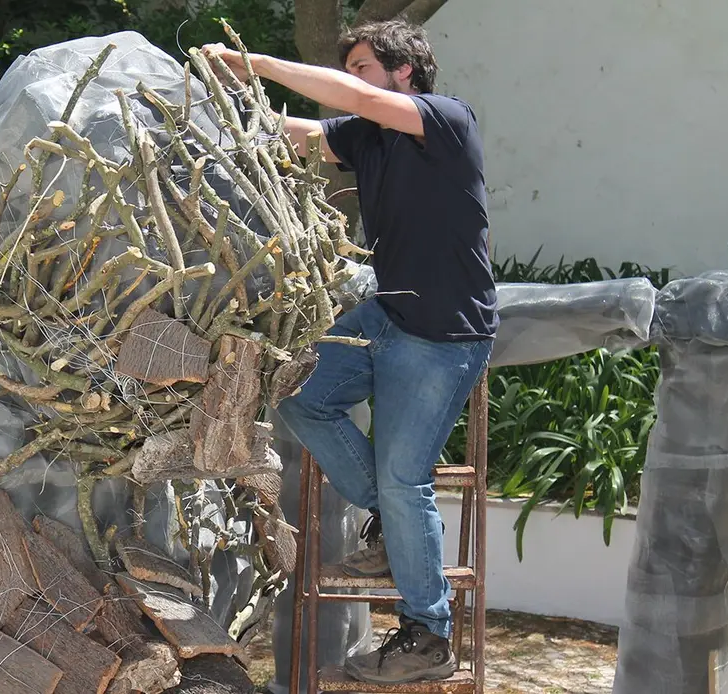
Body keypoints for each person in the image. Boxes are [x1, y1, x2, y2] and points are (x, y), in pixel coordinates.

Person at [203, 20, 497, 686]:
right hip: (387, 314)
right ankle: (393, 531)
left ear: (404, 73)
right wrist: (216, 107)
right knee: (297, 391)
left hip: (442, 334)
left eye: (363, 67)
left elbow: (351, 101)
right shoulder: (366, 136)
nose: (353, 80)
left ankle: (428, 636)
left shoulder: (445, 122)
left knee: (403, 481)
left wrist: (255, 63)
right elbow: (296, 134)